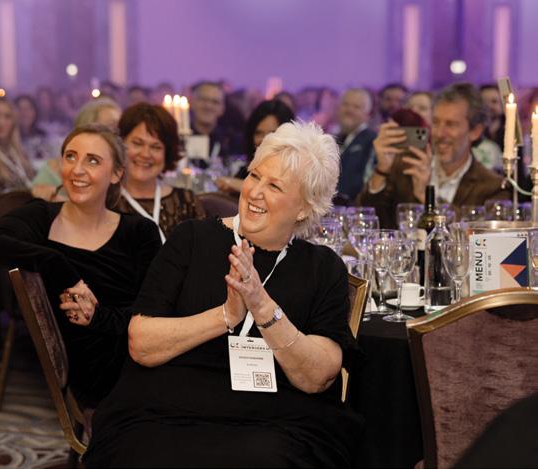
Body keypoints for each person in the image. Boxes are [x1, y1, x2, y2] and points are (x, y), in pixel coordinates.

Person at [84, 121, 362, 468]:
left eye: (274, 185)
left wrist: (262, 306)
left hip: (278, 420)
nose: (255, 192)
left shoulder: (322, 268)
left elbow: (319, 376)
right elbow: (141, 343)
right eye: (254, 176)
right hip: (166, 408)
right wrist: (226, 316)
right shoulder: (191, 239)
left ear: (304, 207)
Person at [0, 124, 161, 406]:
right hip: (96, 375)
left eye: (92, 161)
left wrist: (99, 317)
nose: (77, 169)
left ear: (117, 173)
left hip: (138, 354)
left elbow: (153, 313)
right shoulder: (42, 217)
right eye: (70, 157)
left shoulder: (140, 231)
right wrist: (55, 262)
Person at [357, 82, 510, 228]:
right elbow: (366, 222)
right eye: (435, 122)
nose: (439, 133)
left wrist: (428, 198)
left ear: (475, 131)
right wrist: (382, 170)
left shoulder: (493, 186)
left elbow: (480, 237)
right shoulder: (407, 166)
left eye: (450, 124)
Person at [114, 102, 205, 241]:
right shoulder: (105, 202)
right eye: (137, 143)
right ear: (120, 145)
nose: (145, 154)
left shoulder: (186, 201)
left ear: (167, 153)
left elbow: (206, 250)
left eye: (156, 147)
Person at [31, 97, 122, 202]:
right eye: (112, 126)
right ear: (88, 129)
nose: (120, 133)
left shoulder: (125, 166)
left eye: (121, 126)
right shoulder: (53, 172)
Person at [215, 99, 295, 195]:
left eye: (272, 133)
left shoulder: (296, 174)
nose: (264, 140)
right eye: (258, 133)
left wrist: (237, 184)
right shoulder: (246, 171)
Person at [336, 88, 377, 201]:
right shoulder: (333, 138)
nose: (349, 110)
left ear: (368, 114)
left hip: (357, 206)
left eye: (356, 107)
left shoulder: (373, 141)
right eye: (345, 104)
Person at [190, 81, 228, 158]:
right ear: (192, 103)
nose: (208, 106)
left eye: (215, 102)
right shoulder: (179, 139)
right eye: (203, 100)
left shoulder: (230, 142)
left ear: (222, 109)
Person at [15, 94, 53, 167]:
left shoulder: (43, 136)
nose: (24, 113)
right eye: (20, 109)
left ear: (35, 112)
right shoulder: (9, 137)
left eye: (28, 109)